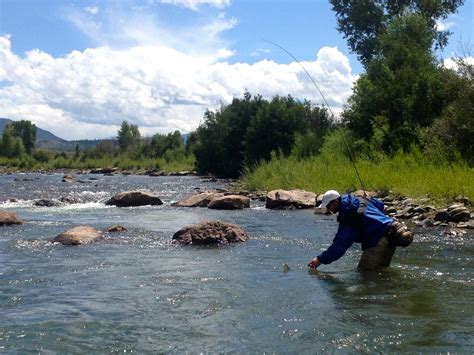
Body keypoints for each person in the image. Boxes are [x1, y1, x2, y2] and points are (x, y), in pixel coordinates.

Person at [308, 190, 413, 271]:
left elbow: (340, 245)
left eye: (328, 206)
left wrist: (320, 259)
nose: (328, 209)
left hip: (379, 240)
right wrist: (368, 199)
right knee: (381, 271)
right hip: (392, 232)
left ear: (336, 201)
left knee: (366, 272)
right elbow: (380, 205)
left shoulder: (349, 216)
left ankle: (377, 298)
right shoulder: (359, 199)